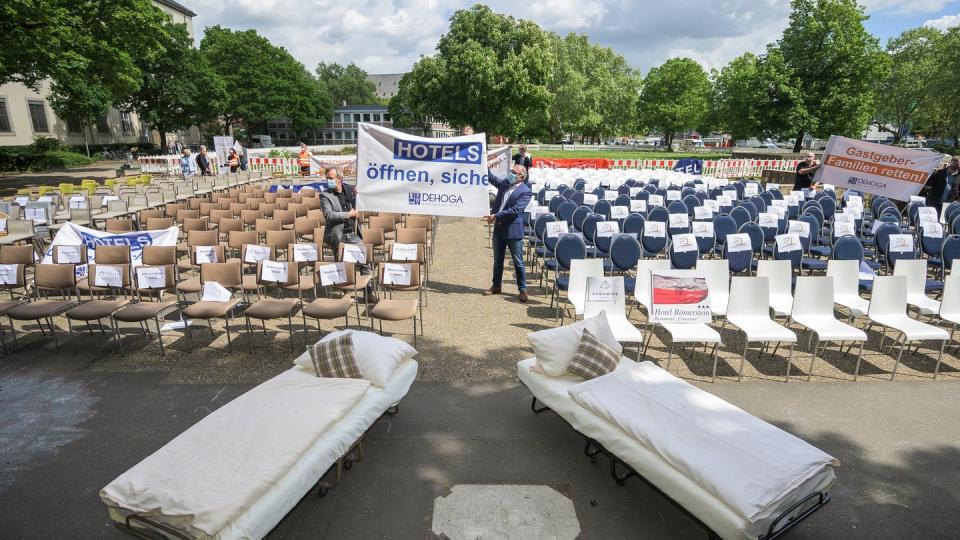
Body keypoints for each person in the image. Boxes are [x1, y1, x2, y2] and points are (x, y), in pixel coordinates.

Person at [483, 163, 533, 302]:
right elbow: (491, 178)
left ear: (521, 176)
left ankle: (522, 289)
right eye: (511, 171)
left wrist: (496, 216)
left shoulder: (525, 191)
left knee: (518, 262)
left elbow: (516, 210)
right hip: (499, 229)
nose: (510, 173)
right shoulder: (506, 184)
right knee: (497, 260)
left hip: (513, 231)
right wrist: (483, 165)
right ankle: (496, 285)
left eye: (514, 172)